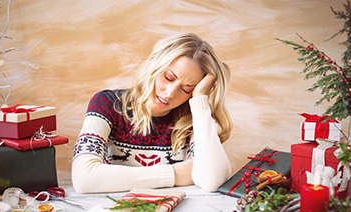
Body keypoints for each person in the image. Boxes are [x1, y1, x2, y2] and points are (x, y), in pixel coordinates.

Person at [72, 33, 233, 193]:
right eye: (168, 77)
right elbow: (84, 179)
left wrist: (200, 100)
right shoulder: (106, 104)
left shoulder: (197, 116)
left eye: (186, 89)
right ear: (153, 65)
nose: (169, 93)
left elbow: (212, 180)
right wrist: (175, 174)